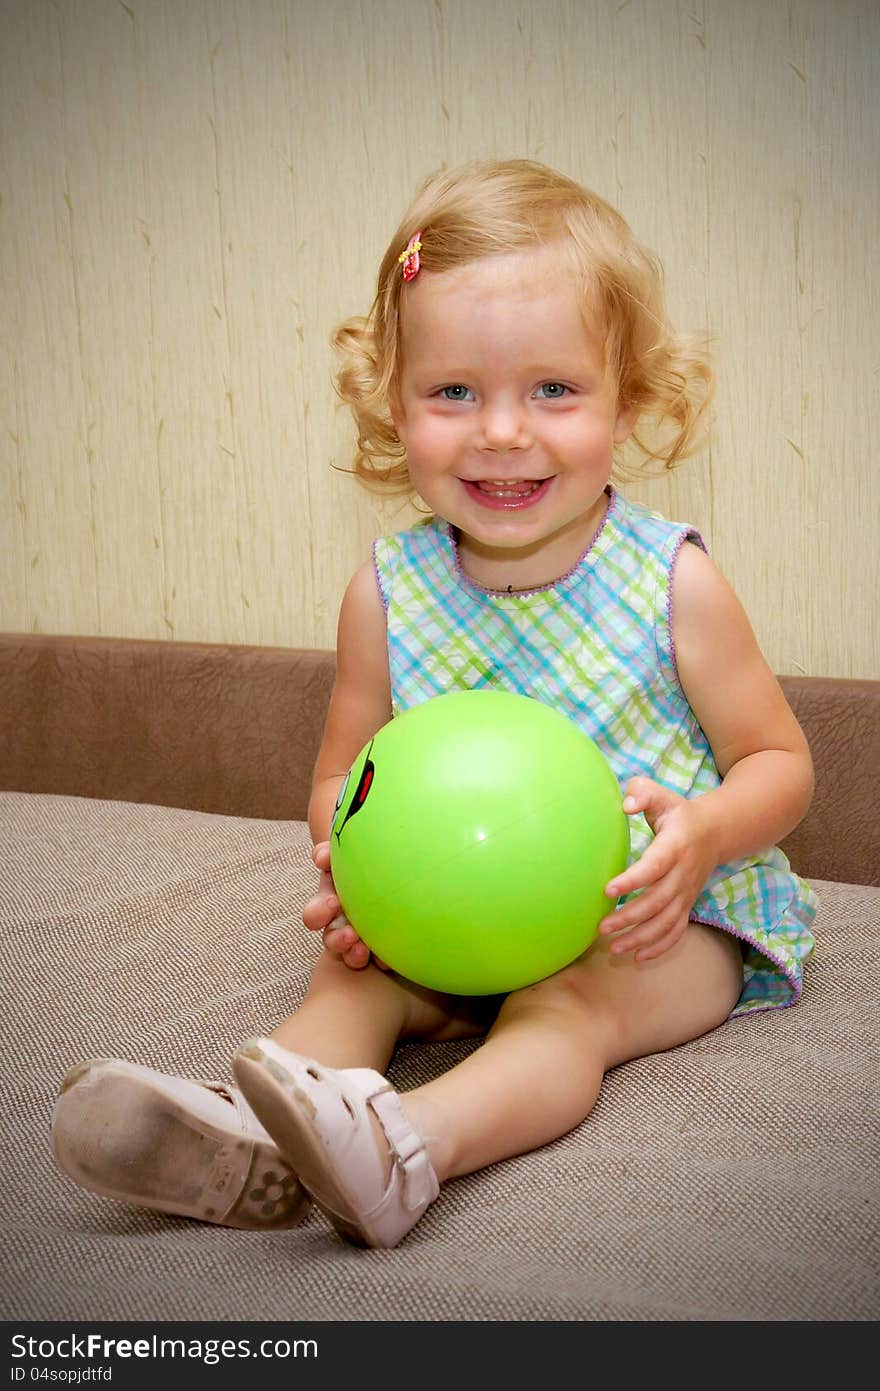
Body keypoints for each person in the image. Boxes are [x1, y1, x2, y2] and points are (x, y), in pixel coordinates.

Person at [52, 158, 818, 1249]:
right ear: (392, 404)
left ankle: (407, 1145)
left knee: (567, 1008)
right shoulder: (387, 590)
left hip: (646, 913)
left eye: (552, 388)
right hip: (449, 918)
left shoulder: (672, 580)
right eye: (453, 391)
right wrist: (351, 871)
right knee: (352, 980)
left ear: (628, 401)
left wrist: (699, 837)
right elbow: (340, 774)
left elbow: (778, 762)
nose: (501, 430)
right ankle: (251, 1138)